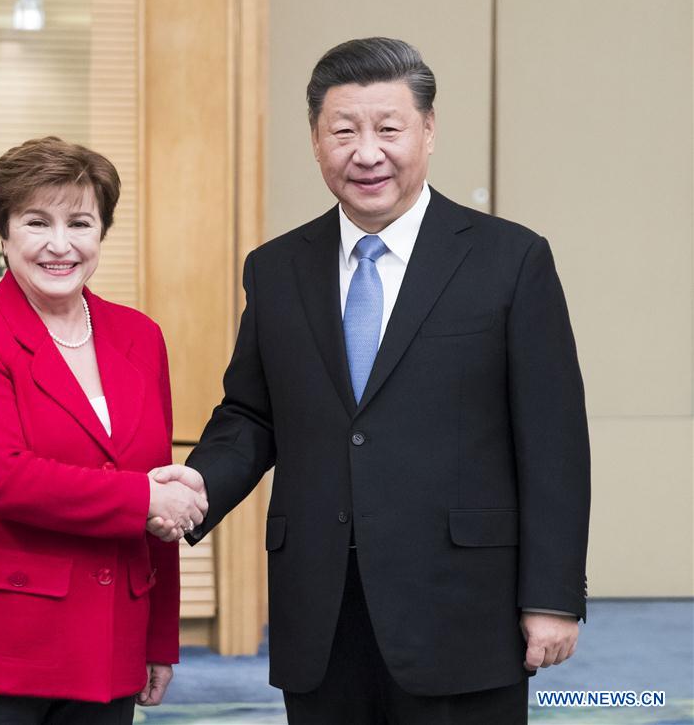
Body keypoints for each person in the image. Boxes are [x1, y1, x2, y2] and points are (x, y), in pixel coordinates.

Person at [151, 38, 590, 724]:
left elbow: (553, 442)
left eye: (388, 128)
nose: (366, 152)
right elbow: (253, 413)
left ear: (429, 130)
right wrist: (200, 484)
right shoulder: (277, 268)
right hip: (322, 612)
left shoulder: (510, 261)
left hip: (461, 609)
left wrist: (553, 596)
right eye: (344, 130)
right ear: (316, 140)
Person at [0, 136, 207, 725]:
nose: (60, 245)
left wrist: (158, 635)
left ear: (101, 233)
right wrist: (145, 497)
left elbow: (158, 490)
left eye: (80, 222)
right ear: (5, 232)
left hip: (110, 640)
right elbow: (1, 478)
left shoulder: (140, 337)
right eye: (37, 221)